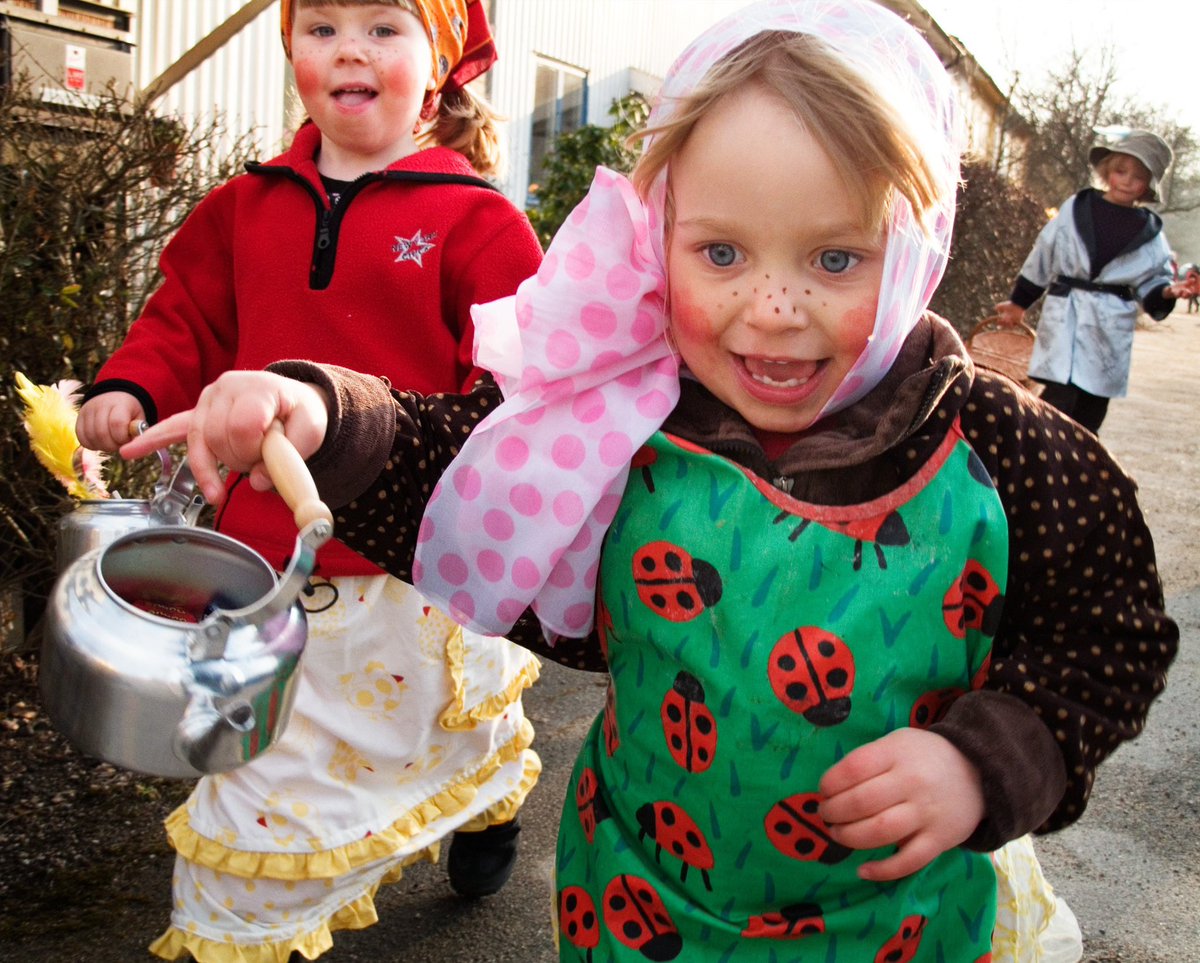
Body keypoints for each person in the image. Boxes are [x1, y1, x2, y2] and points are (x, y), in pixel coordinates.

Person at [125, 1, 1179, 959]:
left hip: (893, 924)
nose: (772, 307)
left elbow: (1110, 627)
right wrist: (318, 412)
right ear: (657, 235)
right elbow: (454, 452)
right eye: (720, 254)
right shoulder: (624, 415)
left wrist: (992, 761)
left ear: (915, 247)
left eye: (836, 259)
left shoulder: (1006, 453)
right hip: (643, 903)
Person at [76, 1, 544, 959]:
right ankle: (236, 930)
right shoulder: (243, 207)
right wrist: (131, 382)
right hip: (266, 567)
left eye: (384, 26)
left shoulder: (479, 222)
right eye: (321, 26)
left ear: (443, 58)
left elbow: (516, 393)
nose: (348, 51)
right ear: (290, 48)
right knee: (257, 799)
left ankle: (488, 802)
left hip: (413, 571)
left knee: (446, 731)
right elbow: (186, 319)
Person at [994, 128, 1200, 433]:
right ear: (1107, 172)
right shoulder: (1076, 208)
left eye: (1138, 176)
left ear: (1148, 186)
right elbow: (1044, 254)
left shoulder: (1150, 233)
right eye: (1120, 171)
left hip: (1109, 327)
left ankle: (1078, 470)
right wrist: (1019, 302)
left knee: (1091, 410)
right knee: (1054, 402)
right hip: (1065, 316)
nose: (1127, 181)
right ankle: (1042, 466)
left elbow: (1152, 280)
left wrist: (1169, 291)